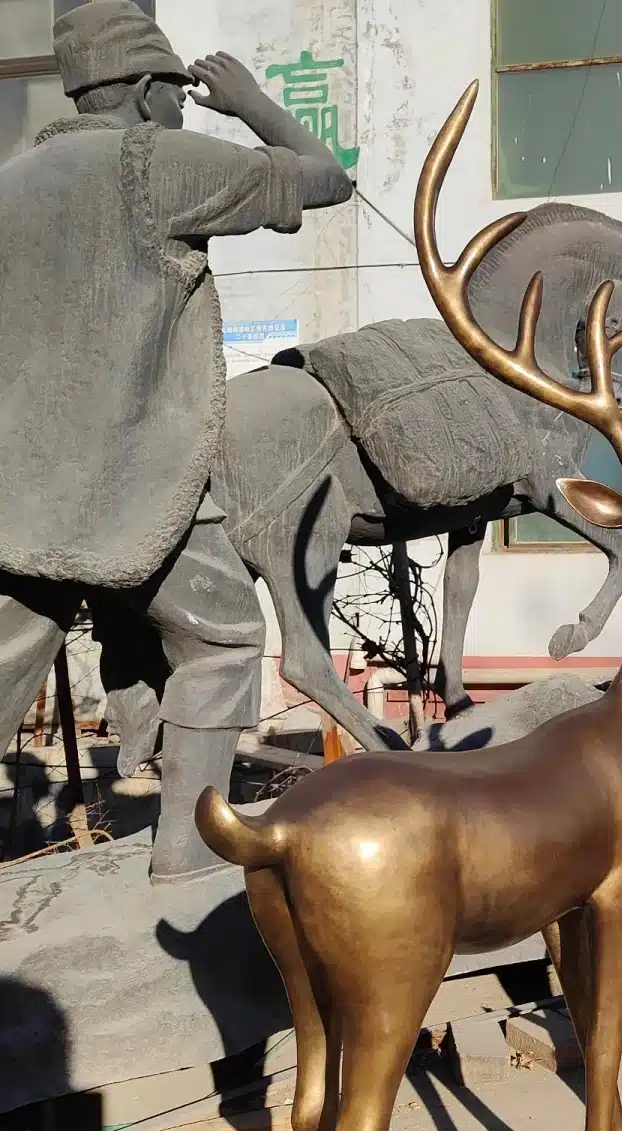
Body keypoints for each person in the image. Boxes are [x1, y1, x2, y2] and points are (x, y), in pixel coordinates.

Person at [0, 1, 353, 881]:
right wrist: (251, 102)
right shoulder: (151, 161)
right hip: (140, 485)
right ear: (145, 87)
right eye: (178, 94)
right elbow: (326, 177)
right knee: (222, 639)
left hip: (15, 496)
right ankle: (187, 858)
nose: (182, 108)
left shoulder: (10, 182)